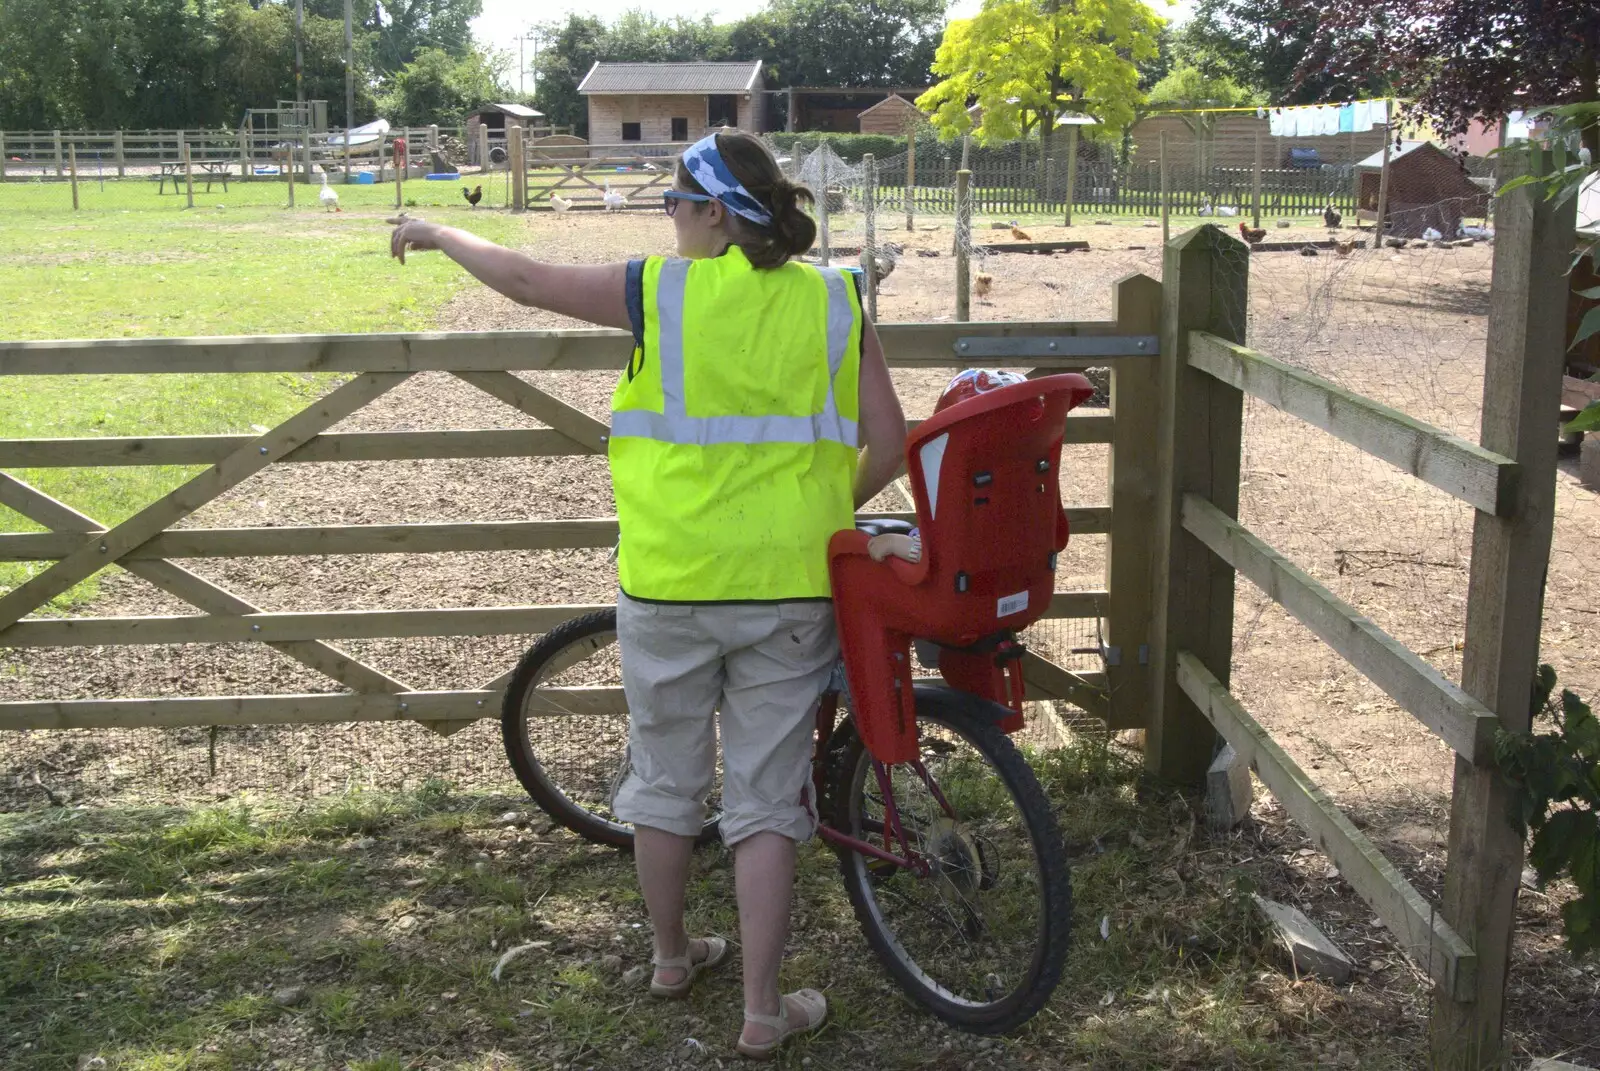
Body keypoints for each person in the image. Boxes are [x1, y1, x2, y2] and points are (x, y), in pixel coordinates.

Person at [388, 131, 906, 1058]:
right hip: (789, 589)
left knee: (665, 782)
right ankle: (761, 1008)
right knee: (765, 800)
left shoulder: (656, 293)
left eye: (675, 200)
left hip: (666, 583)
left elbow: (533, 281)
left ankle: (672, 958)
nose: (666, 215)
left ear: (714, 212)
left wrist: (437, 232)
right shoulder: (837, 299)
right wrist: (824, 512)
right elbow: (891, 442)